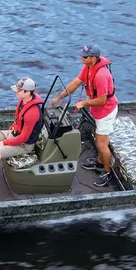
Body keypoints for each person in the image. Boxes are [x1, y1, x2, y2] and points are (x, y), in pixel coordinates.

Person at [50, 44, 118, 187]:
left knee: (101, 143)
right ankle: (99, 162)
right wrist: (60, 97)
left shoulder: (101, 75)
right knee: (102, 139)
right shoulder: (88, 67)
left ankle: (107, 171)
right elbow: (76, 83)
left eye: (85, 57)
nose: (82, 58)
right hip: (97, 110)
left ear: (93, 58)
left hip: (106, 112)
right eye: (82, 55)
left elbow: (102, 100)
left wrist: (84, 103)